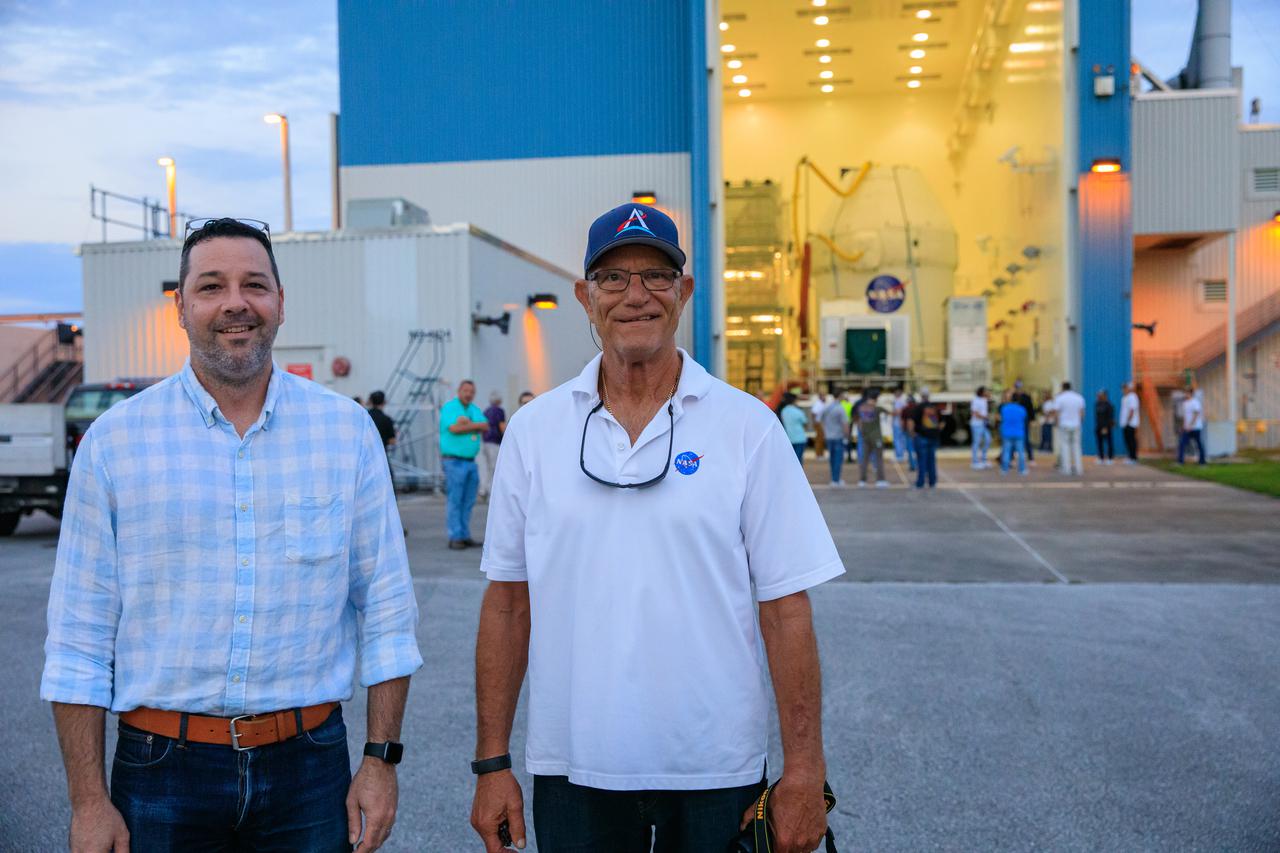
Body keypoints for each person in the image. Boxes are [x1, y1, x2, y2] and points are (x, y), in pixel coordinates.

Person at [469, 202, 843, 853]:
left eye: (656, 276)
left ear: (684, 291)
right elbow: (507, 604)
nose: (635, 295)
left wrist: (806, 771)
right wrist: (492, 762)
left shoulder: (746, 427)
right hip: (572, 768)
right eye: (613, 279)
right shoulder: (536, 431)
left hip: (717, 771)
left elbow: (786, 610)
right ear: (585, 296)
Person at [40, 218, 421, 853]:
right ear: (182, 307)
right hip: (159, 774)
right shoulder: (114, 444)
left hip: (310, 768)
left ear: (280, 302)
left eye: (255, 285)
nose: (236, 303)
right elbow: (78, 639)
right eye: (211, 286)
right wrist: (87, 802)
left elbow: (385, 609)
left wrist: (380, 763)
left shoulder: (346, 432)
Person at [440, 379, 488, 549]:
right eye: (466, 390)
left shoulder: (474, 409)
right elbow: (454, 429)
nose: (469, 394)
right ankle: (455, 536)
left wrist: (467, 424)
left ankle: (464, 534)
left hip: (470, 462)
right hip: (454, 461)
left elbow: (485, 425)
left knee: (468, 500)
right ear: (459, 391)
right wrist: (473, 426)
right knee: (455, 499)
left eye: (472, 391)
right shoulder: (450, 408)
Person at [905, 387, 943, 489]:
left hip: (921, 436)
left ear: (921, 395)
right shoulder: (935, 408)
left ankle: (920, 482)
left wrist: (912, 433)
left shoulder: (917, 407)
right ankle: (932, 482)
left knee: (921, 461)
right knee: (931, 460)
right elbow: (941, 423)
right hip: (933, 437)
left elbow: (910, 421)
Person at [854, 387, 889, 488]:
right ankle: (880, 480)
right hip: (876, 437)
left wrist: (863, 431)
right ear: (876, 398)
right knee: (878, 459)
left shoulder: (861, 407)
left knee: (864, 459)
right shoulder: (877, 408)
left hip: (865, 437)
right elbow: (890, 412)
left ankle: (862, 480)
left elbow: (858, 421)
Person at [817, 386, 851, 485]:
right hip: (838, 436)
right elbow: (845, 425)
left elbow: (820, 420)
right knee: (838, 459)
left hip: (829, 436)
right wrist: (847, 436)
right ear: (840, 396)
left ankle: (833, 479)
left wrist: (825, 431)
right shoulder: (840, 408)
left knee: (832, 459)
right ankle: (836, 480)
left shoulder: (827, 407)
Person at [477, 392, 507, 500]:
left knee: (487, 467)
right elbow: (502, 426)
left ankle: (483, 489)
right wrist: (507, 438)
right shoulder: (499, 411)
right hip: (494, 441)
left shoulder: (486, 411)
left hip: (485, 441)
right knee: (494, 467)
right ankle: (491, 491)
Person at [1052, 381, 1086, 475]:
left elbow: (1056, 413)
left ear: (1063, 388)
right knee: (1077, 446)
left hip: (1064, 425)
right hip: (1076, 425)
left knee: (1065, 447)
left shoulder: (1060, 398)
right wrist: (1080, 422)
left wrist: (1057, 424)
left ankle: (1066, 469)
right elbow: (1082, 413)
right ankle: (1079, 469)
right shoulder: (1079, 397)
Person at [998, 389, 1029, 475]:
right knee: (1021, 452)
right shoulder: (1022, 409)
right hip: (1019, 432)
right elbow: (1024, 419)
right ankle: (1022, 470)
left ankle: (1004, 469)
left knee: (1006, 452)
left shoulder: (1005, 408)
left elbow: (1002, 418)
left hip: (1007, 432)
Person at [1178, 388, 1207, 465]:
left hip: (1196, 427)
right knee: (1182, 443)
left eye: (1186, 393)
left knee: (1199, 444)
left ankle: (1202, 462)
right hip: (1187, 428)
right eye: (1185, 393)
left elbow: (1196, 414)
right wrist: (1183, 426)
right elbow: (1185, 416)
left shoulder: (1195, 402)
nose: (1185, 394)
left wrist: (1191, 426)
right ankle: (1180, 461)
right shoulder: (1185, 403)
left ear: (1190, 393)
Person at [779, 391, 808, 463]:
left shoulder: (783, 411)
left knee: (792, 460)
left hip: (789, 438)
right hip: (800, 438)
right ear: (794, 401)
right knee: (799, 460)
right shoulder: (798, 411)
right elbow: (805, 423)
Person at [892, 384, 916, 471]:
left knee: (900, 440)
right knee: (903, 441)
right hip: (900, 424)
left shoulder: (900, 401)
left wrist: (893, 414)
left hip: (899, 424)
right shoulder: (901, 401)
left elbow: (900, 413)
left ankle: (900, 455)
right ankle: (902, 455)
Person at [1013, 380, 1036, 465]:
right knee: (1014, 438)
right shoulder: (1013, 396)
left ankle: (1030, 457)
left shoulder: (1026, 397)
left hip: (1024, 420)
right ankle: (1013, 456)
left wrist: (1032, 419)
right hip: (1016, 420)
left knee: (1026, 438)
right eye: (1017, 387)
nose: (1018, 389)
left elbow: (1031, 408)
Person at [970, 386, 991, 469]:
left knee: (988, 440)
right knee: (976, 442)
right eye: (986, 391)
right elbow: (974, 413)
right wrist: (984, 417)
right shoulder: (976, 400)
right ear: (982, 392)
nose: (987, 392)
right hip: (976, 424)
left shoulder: (984, 400)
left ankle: (983, 459)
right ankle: (974, 461)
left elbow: (989, 397)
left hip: (983, 424)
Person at [1120, 381, 1141, 464]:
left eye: (1124, 388)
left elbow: (1132, 410)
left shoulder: (1132, 397)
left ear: (1129, 388)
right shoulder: (1125, 397)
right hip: (1125, 423)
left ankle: (1134, 458)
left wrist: (1128, 421)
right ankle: (1130, 457)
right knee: (1127, 441)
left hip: (1130, 423)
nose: (1123, 390)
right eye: (1122, 388)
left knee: (1131, 441)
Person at [1094, 389, 1115, 465]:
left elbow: (1110, 417)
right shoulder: (1097, 404)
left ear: (1105, 395)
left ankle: (1110, 458)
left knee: (1108, 442)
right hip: (1098, 426)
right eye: (1098, 395)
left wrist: (1106, 427)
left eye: (1100, 395)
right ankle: (1101, 458)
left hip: (1106, 427)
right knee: (1099, 443)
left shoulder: (1108, 405)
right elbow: (1097, 416)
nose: (1099, 396)